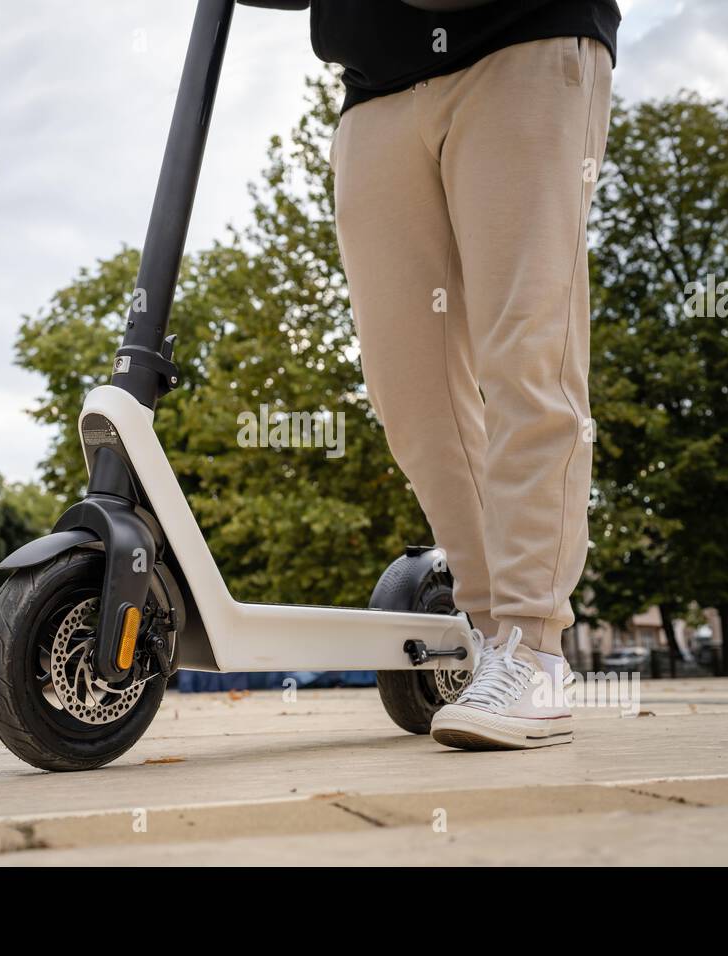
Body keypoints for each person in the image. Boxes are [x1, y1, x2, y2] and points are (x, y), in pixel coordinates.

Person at [243, 0, 620, 749]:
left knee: (527, 353)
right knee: (408, 389)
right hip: (374, 85)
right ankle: (490, 639)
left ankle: (533, 646)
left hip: (523, 36)